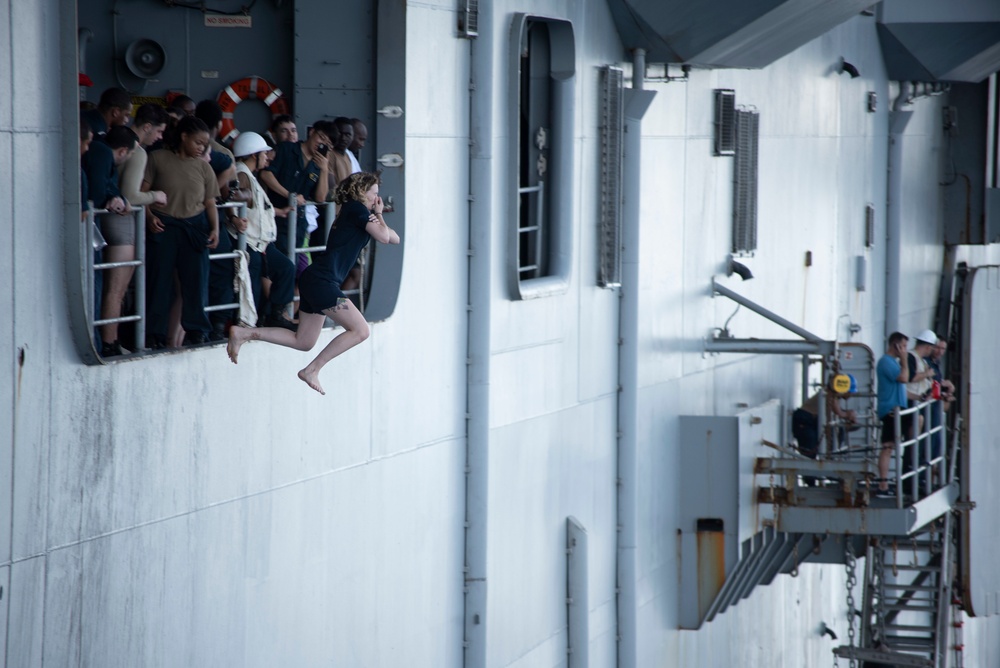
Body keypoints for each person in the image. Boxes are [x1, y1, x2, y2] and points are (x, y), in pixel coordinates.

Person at [227, 172, 400, 395]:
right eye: (375, 193)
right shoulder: (357, 209)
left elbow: (394, 238)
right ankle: (313, 369)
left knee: (304, 341)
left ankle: (244, 334)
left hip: (317, 280)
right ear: (362, 192)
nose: (378, 198)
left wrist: (378, 217)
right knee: (361, 330)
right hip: (322, 282)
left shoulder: (356, 212)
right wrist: (378, 214)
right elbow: (385, 237)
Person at [97, 104, 170, 356]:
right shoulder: (137, 152)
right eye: (159, 131)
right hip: (121, 225)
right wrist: (155, 195)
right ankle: (110, 343)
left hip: (109, 221)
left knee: (113, 289)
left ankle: (110, 340)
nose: (159, 137)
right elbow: (130, 194)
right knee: (116, 289)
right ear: (147, 127)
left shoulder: (115, 139)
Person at [142, 115, 220, 347]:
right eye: (198, 142)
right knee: (159, 282)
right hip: (164, 225)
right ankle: (154, 332)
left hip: (194, 227)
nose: (202, 148)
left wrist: (215, 228)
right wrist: (149, 217)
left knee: (195, 282)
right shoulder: (157, 158)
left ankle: (197, 329)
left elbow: (210, 202)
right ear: (184, 137)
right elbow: (143, 192)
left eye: (205, 144)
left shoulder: (205, 168)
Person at [230, 131, 296, 329]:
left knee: (286, 268)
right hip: (250, 242)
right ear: (253, 155)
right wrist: (233, 218)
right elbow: (234, 199)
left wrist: (279, 211)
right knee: (255, 285)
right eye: (263, 154)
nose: (266, 157)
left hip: (262, 243)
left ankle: (274, 315)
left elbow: (255, 207)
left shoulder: (249, 175)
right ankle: (254, 323)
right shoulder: (242, 174)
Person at [259, 120, 331, 267]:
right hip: (277, 218)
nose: (321, 144)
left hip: (298, 223)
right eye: (321, 138)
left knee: (293, 268)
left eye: (327, 144)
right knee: (275, 268)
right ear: (312, 132)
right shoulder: (287, 149)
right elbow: (266, 175)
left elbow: (320, 197)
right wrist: (290, 196)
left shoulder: (318, 164)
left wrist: (324, 169)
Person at [791, 375, 858, 485]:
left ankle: (828, 470)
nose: (851, 395)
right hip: (804, 421)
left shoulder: (832, 395)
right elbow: (840, 413)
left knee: (831, 438)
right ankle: (811, 481)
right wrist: (849, 415)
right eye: (850, 392)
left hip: (810, 421)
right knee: (809, 452)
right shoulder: (829, 394)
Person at [876, 332, 911, 494]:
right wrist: (904, 361)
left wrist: (920, 396)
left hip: (899, 408)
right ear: (895, 345)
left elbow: (902, 388)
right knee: (887, 447)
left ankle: (908, 470)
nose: (905, 350)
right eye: (903, 346)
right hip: (890, 410)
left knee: (915, 424)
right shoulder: (886, 362)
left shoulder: (893, 363)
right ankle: (883, 483)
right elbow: (904, 378)